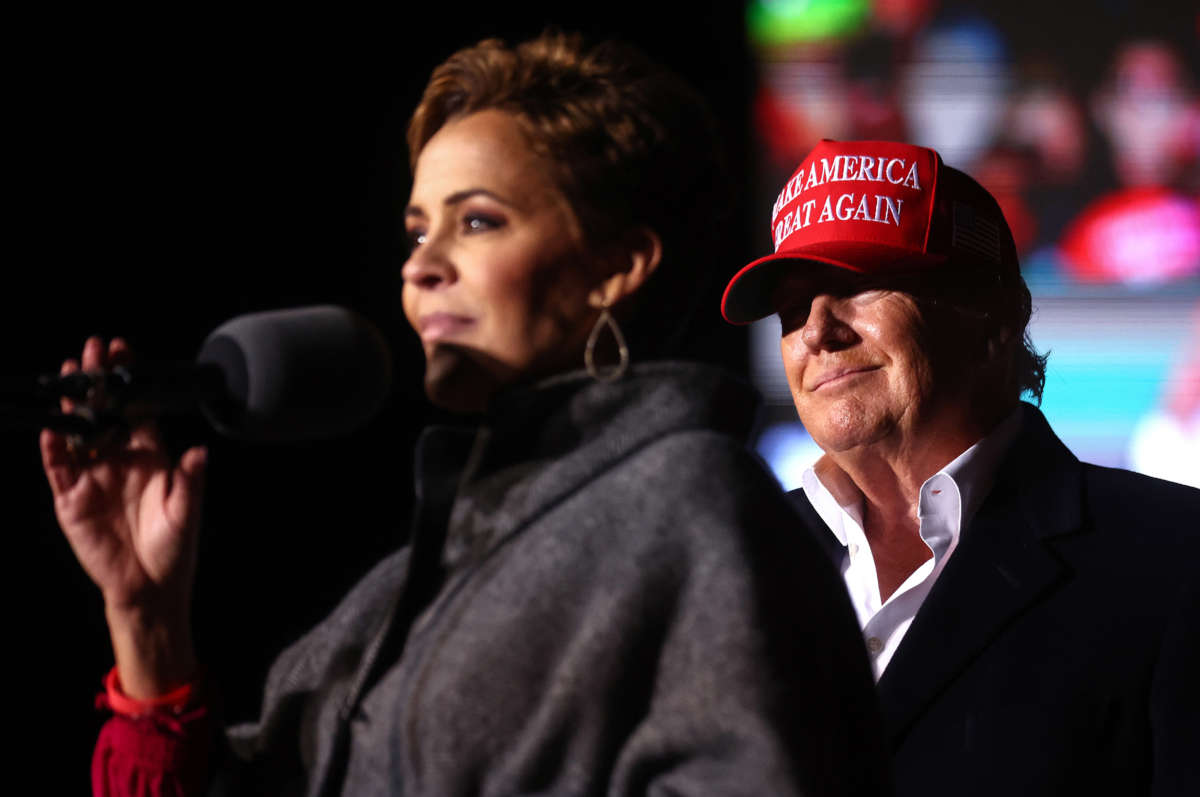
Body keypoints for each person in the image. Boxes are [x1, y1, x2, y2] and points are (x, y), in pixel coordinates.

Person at [44, 35, 891, 796]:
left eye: (478, 221)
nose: (423, 269)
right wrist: (146, 619)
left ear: (617, 266)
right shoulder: (400, 590)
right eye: (416, 234)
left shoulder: (697, 509)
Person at [721, 138, 1200, 796]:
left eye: (856, 285)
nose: (815, 331)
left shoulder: (1175, 561)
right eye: (792, 307)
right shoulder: (735, 555)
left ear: (994, 314)